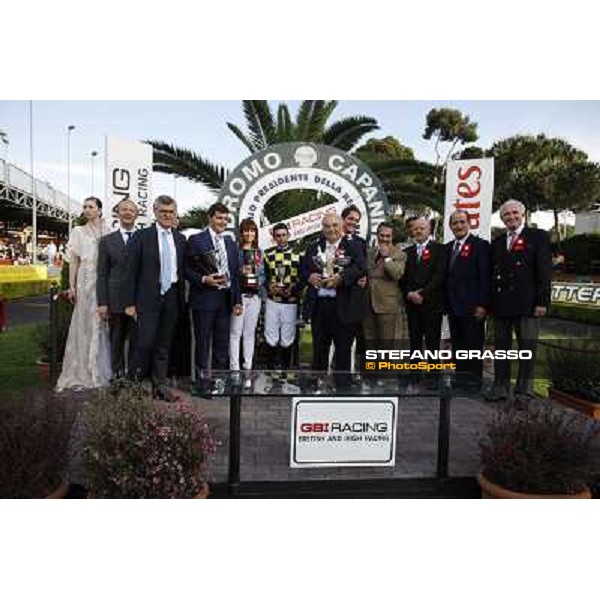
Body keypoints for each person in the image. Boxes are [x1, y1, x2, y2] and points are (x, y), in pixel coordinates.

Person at [488, 199, 552, 402]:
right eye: (506, 215)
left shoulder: (538, 237)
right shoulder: (497, 242)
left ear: (523, 214)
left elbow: (544, 271)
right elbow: (492, 274)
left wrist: (542, 302)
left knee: (527, 349)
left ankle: (524, 391)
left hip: (528, 305)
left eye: (515, 213)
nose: (511, 217)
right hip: (501, 305)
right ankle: (500, 388)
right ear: (502, 218)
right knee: (501, 349)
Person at [123, 195, 187, 395]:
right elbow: (130, 271)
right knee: (144, 343)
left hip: (171, 298)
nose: (167, 216)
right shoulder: (141, 237)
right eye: (163, 212)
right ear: (155, 212)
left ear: (175, 214)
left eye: (171, 212)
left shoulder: (180, 238)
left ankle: (159, 387)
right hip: (147, 299)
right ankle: (133, 386)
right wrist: (129, 303)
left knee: (163, 345)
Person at [301, 213, 367, 388]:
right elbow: (303, 270)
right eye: (327, 226)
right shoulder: (313, 248)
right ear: (322, 228)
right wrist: (309, 276)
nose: (331, 229)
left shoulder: (353, 246)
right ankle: (316, 386)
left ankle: (342, 388)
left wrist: (341, 278)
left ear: (341, 226)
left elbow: (361, 267)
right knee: (319, 351)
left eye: (335, 225)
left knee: (343, 351)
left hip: (344, 307)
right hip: (320, 308)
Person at [57, 197, 112, 391]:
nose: (87, 210)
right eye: (85, 207)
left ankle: (100, 370)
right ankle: (82, 372)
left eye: (91, 207)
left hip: (104, 281)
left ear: (99, 210)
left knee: (102, 324)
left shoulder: (108, 231)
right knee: (84, 324)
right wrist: (72, 286)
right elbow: (73, 261)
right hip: (85, 280)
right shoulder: (78, 231)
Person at [186, 202, 242, 385]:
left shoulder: (231, 243)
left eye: (225, 219)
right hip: (203, 299)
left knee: (222, 343)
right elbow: (186, 269)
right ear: (210, 218)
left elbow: (235, 274)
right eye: (219, 218)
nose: (222, 222)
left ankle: (220, 383)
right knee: (203, 343)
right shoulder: (196, 240)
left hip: (225, 301)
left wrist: (237, 301)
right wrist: (203, 279)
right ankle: (202, 384)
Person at [444, 209, 491, 390]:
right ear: (450, 226)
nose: (459, 226)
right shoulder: (448, 248)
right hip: (453, 307)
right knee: (458, 346)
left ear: (469, 223)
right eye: (455, 223)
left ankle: (473, 381)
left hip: (473, 307)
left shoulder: (480, 245)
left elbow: (485, 277)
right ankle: (460, 379)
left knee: (473, 346)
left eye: (462, 222)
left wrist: (482, 305)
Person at [96, 199, 139, 378]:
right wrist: (102, 302)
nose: (128, 213)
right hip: (115, 301)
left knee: (137, 341)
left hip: (138, 300)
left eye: (131, 210)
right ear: (117, 213)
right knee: (116, 340)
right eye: (124, 210)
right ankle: (117, 376)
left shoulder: (144, 238)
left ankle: (134, 377)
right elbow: (102, 274)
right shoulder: (106, 241)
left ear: (137, 214)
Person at [401, 216, 446, 354]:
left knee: (433, 344)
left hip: (431, 305)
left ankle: (434, 374)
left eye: (422, 228)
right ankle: (415, 373)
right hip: (412, 306)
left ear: (429, 230)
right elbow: (403, 278)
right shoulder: (406, 252)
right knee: (414, 343)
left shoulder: (440, 249)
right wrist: (409, 293)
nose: (419, 231)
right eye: (416, 228)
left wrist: (422, 294)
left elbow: (439, 276)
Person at [262, 223, 303, 372]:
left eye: (283, 235)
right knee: (270, 335)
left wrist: (293, 290)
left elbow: (302, 278)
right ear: (274, 237)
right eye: (278, 236)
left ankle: (286, 370)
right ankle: (270, 369)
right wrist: (269, 287)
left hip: (290, 302)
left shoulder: (298, 254)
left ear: (288, 235)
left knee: (288, 337)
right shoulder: (267, 255)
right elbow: (264, 277)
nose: (281, 238)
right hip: (273, 301)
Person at [363, 222, 406, 352]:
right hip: (367, 304)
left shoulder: (399, 254)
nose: (385, 239)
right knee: (369, 344)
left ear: (392, 237)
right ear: (377, 235)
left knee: (387, 346)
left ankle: (386, 372)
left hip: (387, 306)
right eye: (382, 235)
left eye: (388, 236)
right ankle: (370, 372)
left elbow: (397, 274)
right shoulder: (370, 252)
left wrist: (387, 257)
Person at [229, 218, 264, 375]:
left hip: (254, 297)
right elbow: (231, 275)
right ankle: (234, 368)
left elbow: (263, 276)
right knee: (235, 333)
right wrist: (241, 272)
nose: (249, 233)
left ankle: (247, 367)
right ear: (241, 233)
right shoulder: (235, 252)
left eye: (252, 230)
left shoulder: (259, 253)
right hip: (239, 296)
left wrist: (256, 278)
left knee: (249, 333)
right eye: (246, 230)